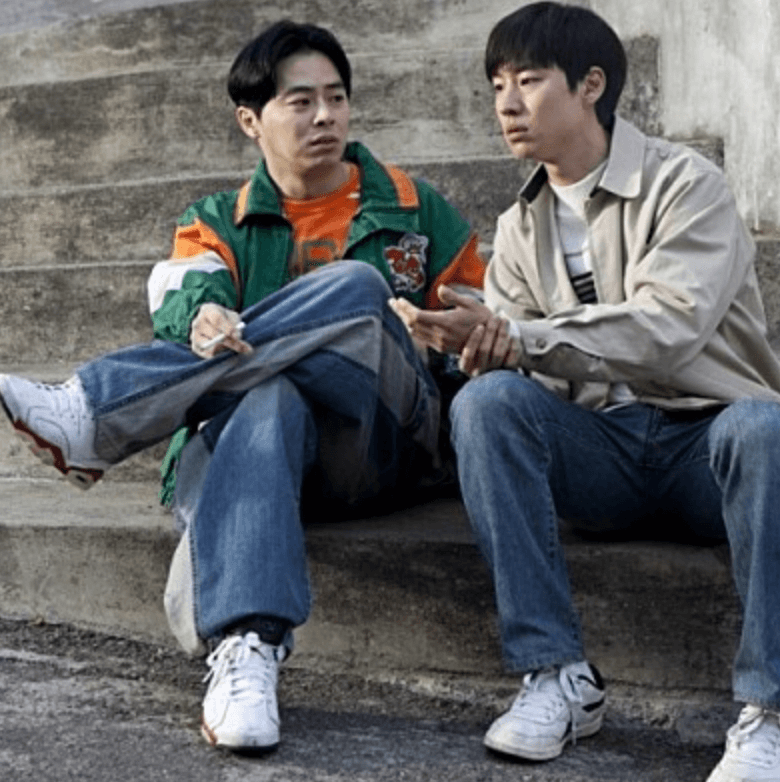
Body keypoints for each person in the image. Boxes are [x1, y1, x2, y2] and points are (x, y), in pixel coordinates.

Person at [0, 20, 484, 753]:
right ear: (250, 120)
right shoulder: (215, 221)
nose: (325, 117)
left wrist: (438, 344)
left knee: (358, 289)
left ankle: (97, 411)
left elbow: (479, 325)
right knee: (269, 395)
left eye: (337, 98)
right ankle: (246, 650)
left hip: (381, 442)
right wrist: (203, 319)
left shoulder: (415, 209)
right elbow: (181, 295)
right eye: (301, 102)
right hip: (259, 449)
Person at [390, 4, 780, 781]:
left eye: (528, 81)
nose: (507, 104)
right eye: (497, 85)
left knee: (764, 428)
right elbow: (526, 366)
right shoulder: (518, 229)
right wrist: (481, 346)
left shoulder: (687, 184)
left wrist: (521, 336)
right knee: (484, 405)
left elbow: (668, 328)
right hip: (601, 456)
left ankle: (772, 713)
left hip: (707, 445)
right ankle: (556, 675)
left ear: (591, 85)